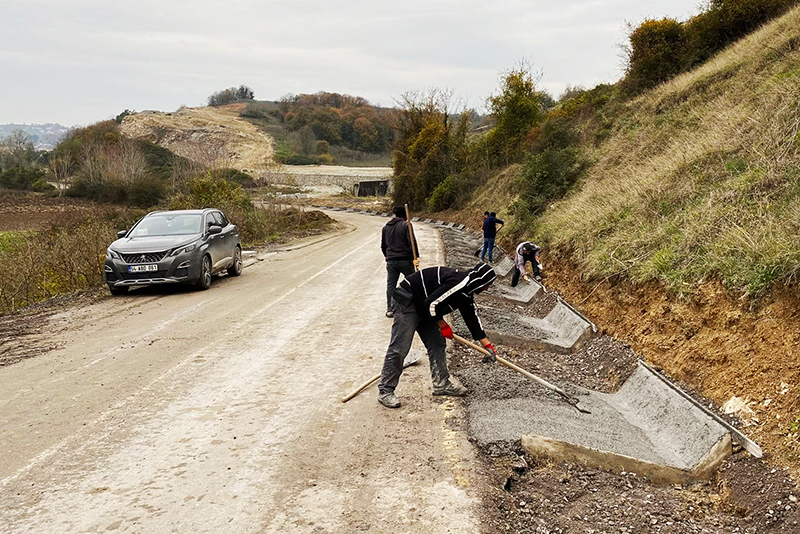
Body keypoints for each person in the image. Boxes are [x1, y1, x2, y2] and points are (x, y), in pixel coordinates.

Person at [377, 263, 498, 409]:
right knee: (400, 347)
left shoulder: (467, 291)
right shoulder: (459, 282)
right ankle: (386, 390)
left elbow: (471, 317)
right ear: (481, 280)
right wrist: (443, 325)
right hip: (408, 301)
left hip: (424, 306)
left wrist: (486, 344)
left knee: (437, 343)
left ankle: (441, 384)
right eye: (487, 284)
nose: (487, 288)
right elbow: (431, 303)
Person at [381, 206, 419, 318]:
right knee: (413, 282)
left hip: (391, 261)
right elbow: (412, 242)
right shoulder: (406, 225)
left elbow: (383, 246)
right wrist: (415, 257)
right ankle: (414, 307)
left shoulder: (386, 227)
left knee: (391, 285)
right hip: (405, 260)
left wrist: (388, 256)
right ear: (404, 215)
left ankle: (390, 309)